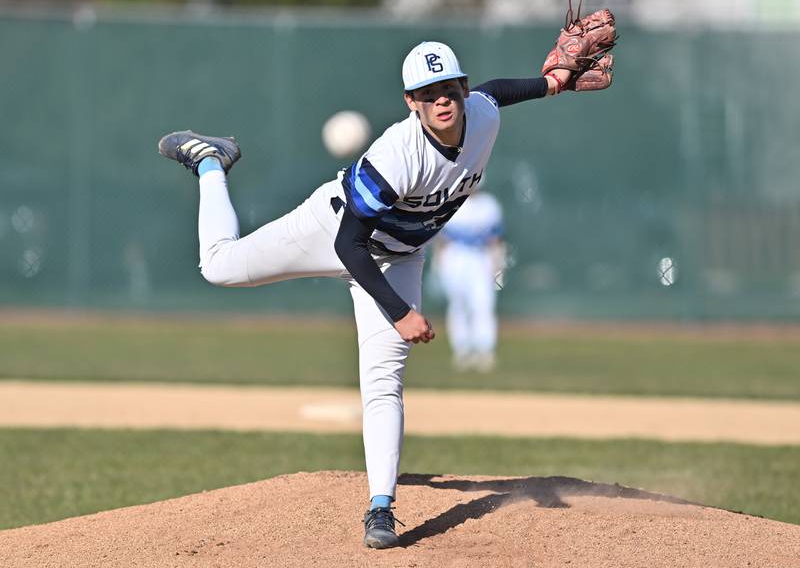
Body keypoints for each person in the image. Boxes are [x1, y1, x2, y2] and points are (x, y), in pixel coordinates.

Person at [159, 41, 575, 549]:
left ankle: (381, 508)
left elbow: (497, 92)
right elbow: (347, 244)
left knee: (384, 380)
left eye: (449, 89)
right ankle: (210, 162)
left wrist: (554, 82)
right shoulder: (397, 157)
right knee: (219, 267)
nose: (442, 101)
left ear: (461, 90)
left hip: (399, 257)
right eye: (428, 93)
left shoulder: (481, 116)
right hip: (331, 228)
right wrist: (399, 312)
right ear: (411, 101)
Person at [434, 190, 505, 372]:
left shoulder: (489, 204)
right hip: (456, 257)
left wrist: (498, 269)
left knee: (483, 303)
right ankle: (462, 350)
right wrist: (439, 265)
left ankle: (485, 350)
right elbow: (441, 239)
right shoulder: (450, 202)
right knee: (458, 303)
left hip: (481, 256)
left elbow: (496, 240)